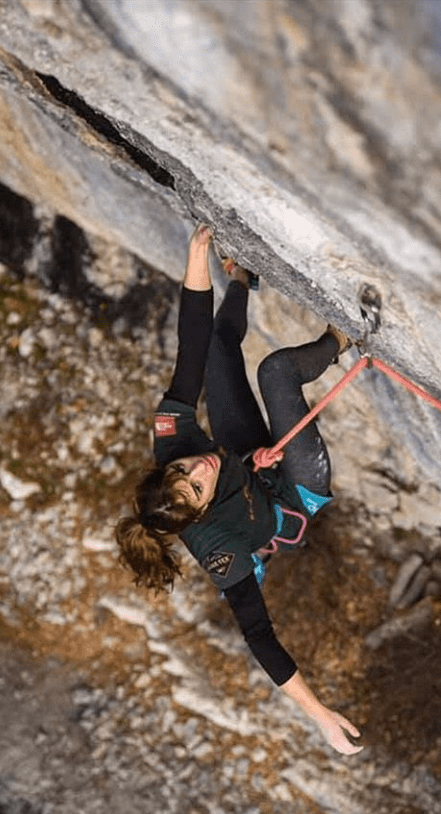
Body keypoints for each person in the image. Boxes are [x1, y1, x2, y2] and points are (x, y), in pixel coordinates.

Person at [116, 223, 363, 755]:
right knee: (276, 372)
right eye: (197, 487)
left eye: (182, 472)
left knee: (215, 353)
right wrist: (319, 715)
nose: (197, 470)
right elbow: (259, 636)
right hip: (294, 493)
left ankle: (243, 278)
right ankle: (344, 336)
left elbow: (192, 341)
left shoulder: (172, 438)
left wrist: (196, 254)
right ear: (201, 513)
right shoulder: (219, 552)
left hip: (251, 462)